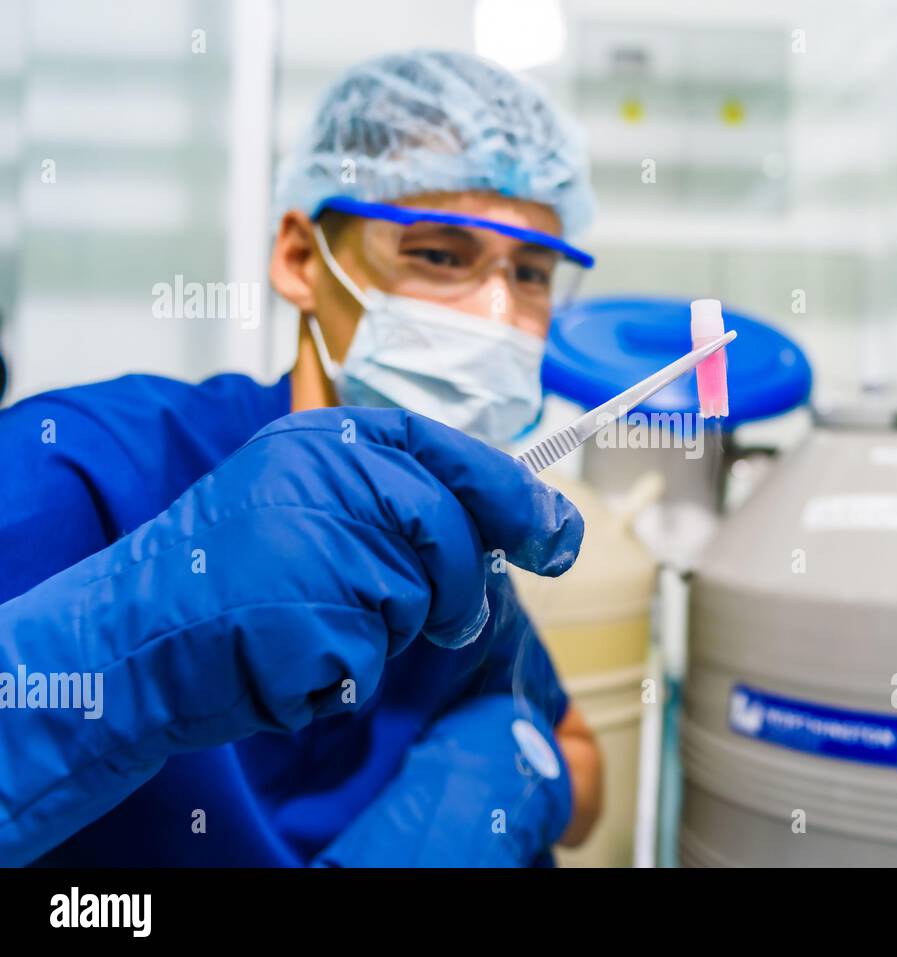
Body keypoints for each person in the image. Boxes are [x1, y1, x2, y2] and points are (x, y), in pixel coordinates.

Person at [0, 50, 603, 867]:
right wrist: (147, 631)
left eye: (531, 273)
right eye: (438, 254)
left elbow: (574, 745)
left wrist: (501, 772)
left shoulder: (446, 540)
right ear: (301, 258)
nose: (498, 314)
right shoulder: (83, 465)